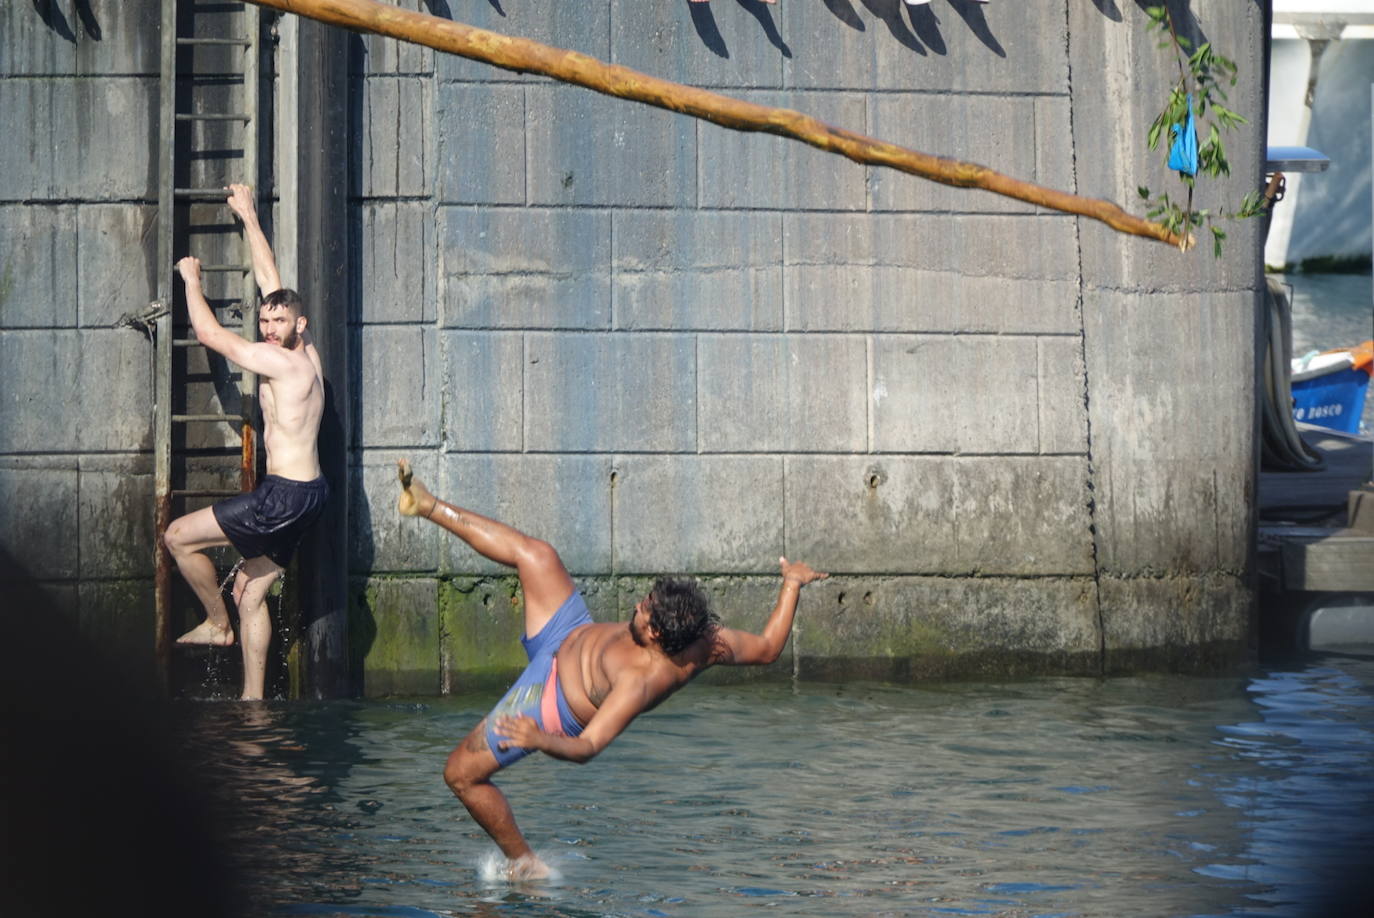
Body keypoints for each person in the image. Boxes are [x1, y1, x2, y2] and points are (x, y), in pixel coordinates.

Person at [394, 459, 827, 879]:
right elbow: (769, 646)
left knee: (460, 775)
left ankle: (524, 861)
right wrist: (791, 583)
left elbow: (588, 747)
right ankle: (426, 504)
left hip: (552, 701)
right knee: (538, 555)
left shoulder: (639, 683)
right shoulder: (705, 636)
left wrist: (539, 738)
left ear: (658, 637)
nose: (638, 607)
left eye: (645, 613)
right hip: (567, 632)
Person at [162, 184, 328, 701]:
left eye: (278, 321)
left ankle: (217, 624)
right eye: (265, 320)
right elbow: (272, 283)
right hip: (309, 494)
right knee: (249, 590)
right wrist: (249, 216)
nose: (269, 327)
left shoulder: (279, 361)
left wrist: (191, 281)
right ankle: (253, 706)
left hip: (283, 496)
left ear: (299, 324)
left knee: (177, 537)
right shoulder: (307, 353)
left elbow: (213, 336)